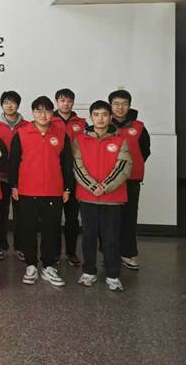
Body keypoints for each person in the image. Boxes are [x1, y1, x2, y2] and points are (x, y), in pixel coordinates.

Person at [9, 96, 74, 287]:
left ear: (52, 113)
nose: (43, 114)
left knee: (51, 230)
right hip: (27, 190)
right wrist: (14, 185)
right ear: (33, 113)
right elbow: (13, 162)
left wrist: (67, 188)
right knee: (27, 229)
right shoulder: (22, 134)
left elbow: (67, 164)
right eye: (38, 110)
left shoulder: (61, 135)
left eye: (47, 110)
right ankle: (30, 265)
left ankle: (48, 266)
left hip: (53, 190)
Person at [73, 100, 132, 292]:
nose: (100, 118)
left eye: (104, 114)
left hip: (112, 199)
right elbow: (77, 166)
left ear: (111, 117)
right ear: (91, 117)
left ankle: (113, 275)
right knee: (88, 237)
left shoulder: (120, 140)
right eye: (96, 114)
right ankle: (88, 272)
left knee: (111, 238)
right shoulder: (80, 140)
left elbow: (123, 167)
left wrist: (105, 187)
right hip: (87, 197)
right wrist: (92, 186)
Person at [109, 89, 150, 270]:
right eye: (116, 104)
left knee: (129, 217)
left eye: (124, 104)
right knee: (110, 219)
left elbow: (145, 151)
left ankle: (127, 253)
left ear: (129, 106)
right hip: (109, 180)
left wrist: (130, 167)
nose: (120, 107)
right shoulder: (104, 124)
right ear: (111, 105)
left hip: (131, 179)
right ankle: (109, 253)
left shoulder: (139, 127)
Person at [52, 88, 87, 266]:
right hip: (53, 174)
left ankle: (72, 253)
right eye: (62, 100)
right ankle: (55, 253)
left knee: (72, 217)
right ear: (56, 102)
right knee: (54, 217)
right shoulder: (48, 120)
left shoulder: (82, 123)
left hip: (75, 175)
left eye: (69, 101)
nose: (66, 104)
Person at [0, 91, 27, 261]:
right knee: (1, 213)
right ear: (1, 105)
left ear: (18, 105)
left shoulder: (27, 126)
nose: (9, 105)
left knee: (22, 213)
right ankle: (0, 245)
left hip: (22, 176)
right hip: (1, 176)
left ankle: (21, 246)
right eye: (6, 102)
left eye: (13, 102)